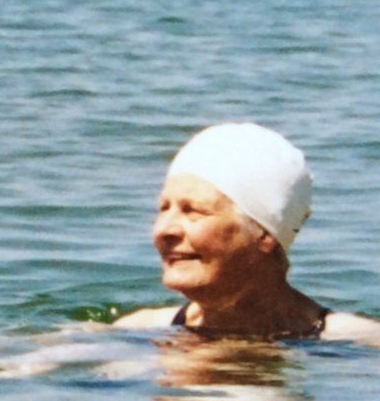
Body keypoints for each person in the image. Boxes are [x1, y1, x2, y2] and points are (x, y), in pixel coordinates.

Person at [113, 122, 380, 342]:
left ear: (265, 233)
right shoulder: (134, 335)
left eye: (193, 210)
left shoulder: (357, 344)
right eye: (163, 208)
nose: (163, 230)